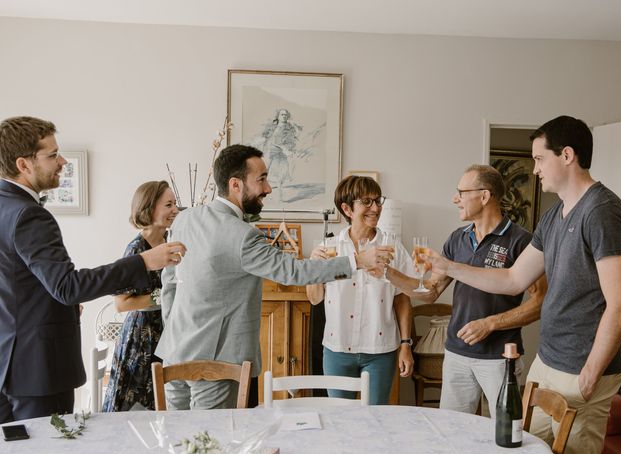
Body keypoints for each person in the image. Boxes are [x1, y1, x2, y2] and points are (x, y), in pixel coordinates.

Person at [423, 116, 621, 454]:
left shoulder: (602, 212)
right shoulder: (554, 216)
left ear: (566, 155)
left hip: (582, 368)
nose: (534, 169)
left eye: (539, 159)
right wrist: (450, 267)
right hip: (548, 363)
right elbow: (512, 278)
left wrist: (590, 374)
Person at [155, 144, 391, 410]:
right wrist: (357, 261)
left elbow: (170, 282)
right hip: (216, 363)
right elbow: (294, 272)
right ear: (235, 184)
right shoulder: (243, 236)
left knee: (177, 440)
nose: (268, 189)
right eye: (262, 179)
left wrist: (173, 330)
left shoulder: (185, 220)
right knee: (215, 442)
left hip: (173, 353)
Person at [0, 116, 186, 423]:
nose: (62, 162)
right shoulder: (29, 215)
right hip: (38, 371)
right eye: (52, 155)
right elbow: (67, 287)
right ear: (24, 164)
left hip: (10, 363)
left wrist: (59, 307)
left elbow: (16, 282)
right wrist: (144, 262)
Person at [385, 165, 547, 417]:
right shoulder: (456, 239)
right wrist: (387, 273)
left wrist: (491, 323)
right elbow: (430, 291)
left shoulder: (521, 241)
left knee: (504, 431)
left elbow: (540, 302)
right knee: (453, 431)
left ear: (484, 196)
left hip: (500, 357)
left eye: (461, 192)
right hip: (456, 355)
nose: (454, 198)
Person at [306, 176, 415, 405]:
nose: (376, 208)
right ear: (347, 208)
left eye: (378, 201)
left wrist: (406, 345)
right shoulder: (329, 248)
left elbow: (402, 300)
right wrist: (316, 270)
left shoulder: (393, 247)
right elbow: (315, 299)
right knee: (339, 418)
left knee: (376, 419)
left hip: (381, 351)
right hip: (337, 350)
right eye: (367, 201)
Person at [102, 181, 179, 412]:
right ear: (149, 209)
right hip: (141, 340)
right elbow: (121, 304)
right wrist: (163, 297)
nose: (175, 210)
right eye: (169, 204)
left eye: (175, 204)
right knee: (134, 411)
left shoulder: (172, 242)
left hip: (168, 333)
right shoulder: (137, 250)